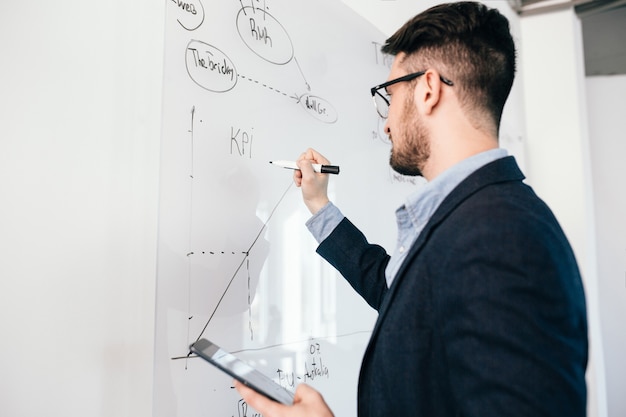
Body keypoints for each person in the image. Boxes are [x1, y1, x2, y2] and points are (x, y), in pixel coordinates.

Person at [236, 1, 588, 416]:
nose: (385, 122)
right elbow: (395, 291)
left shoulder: (501, 238)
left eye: (389, 96)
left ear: (427, 89)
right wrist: (319, 204)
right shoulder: (477, 217)